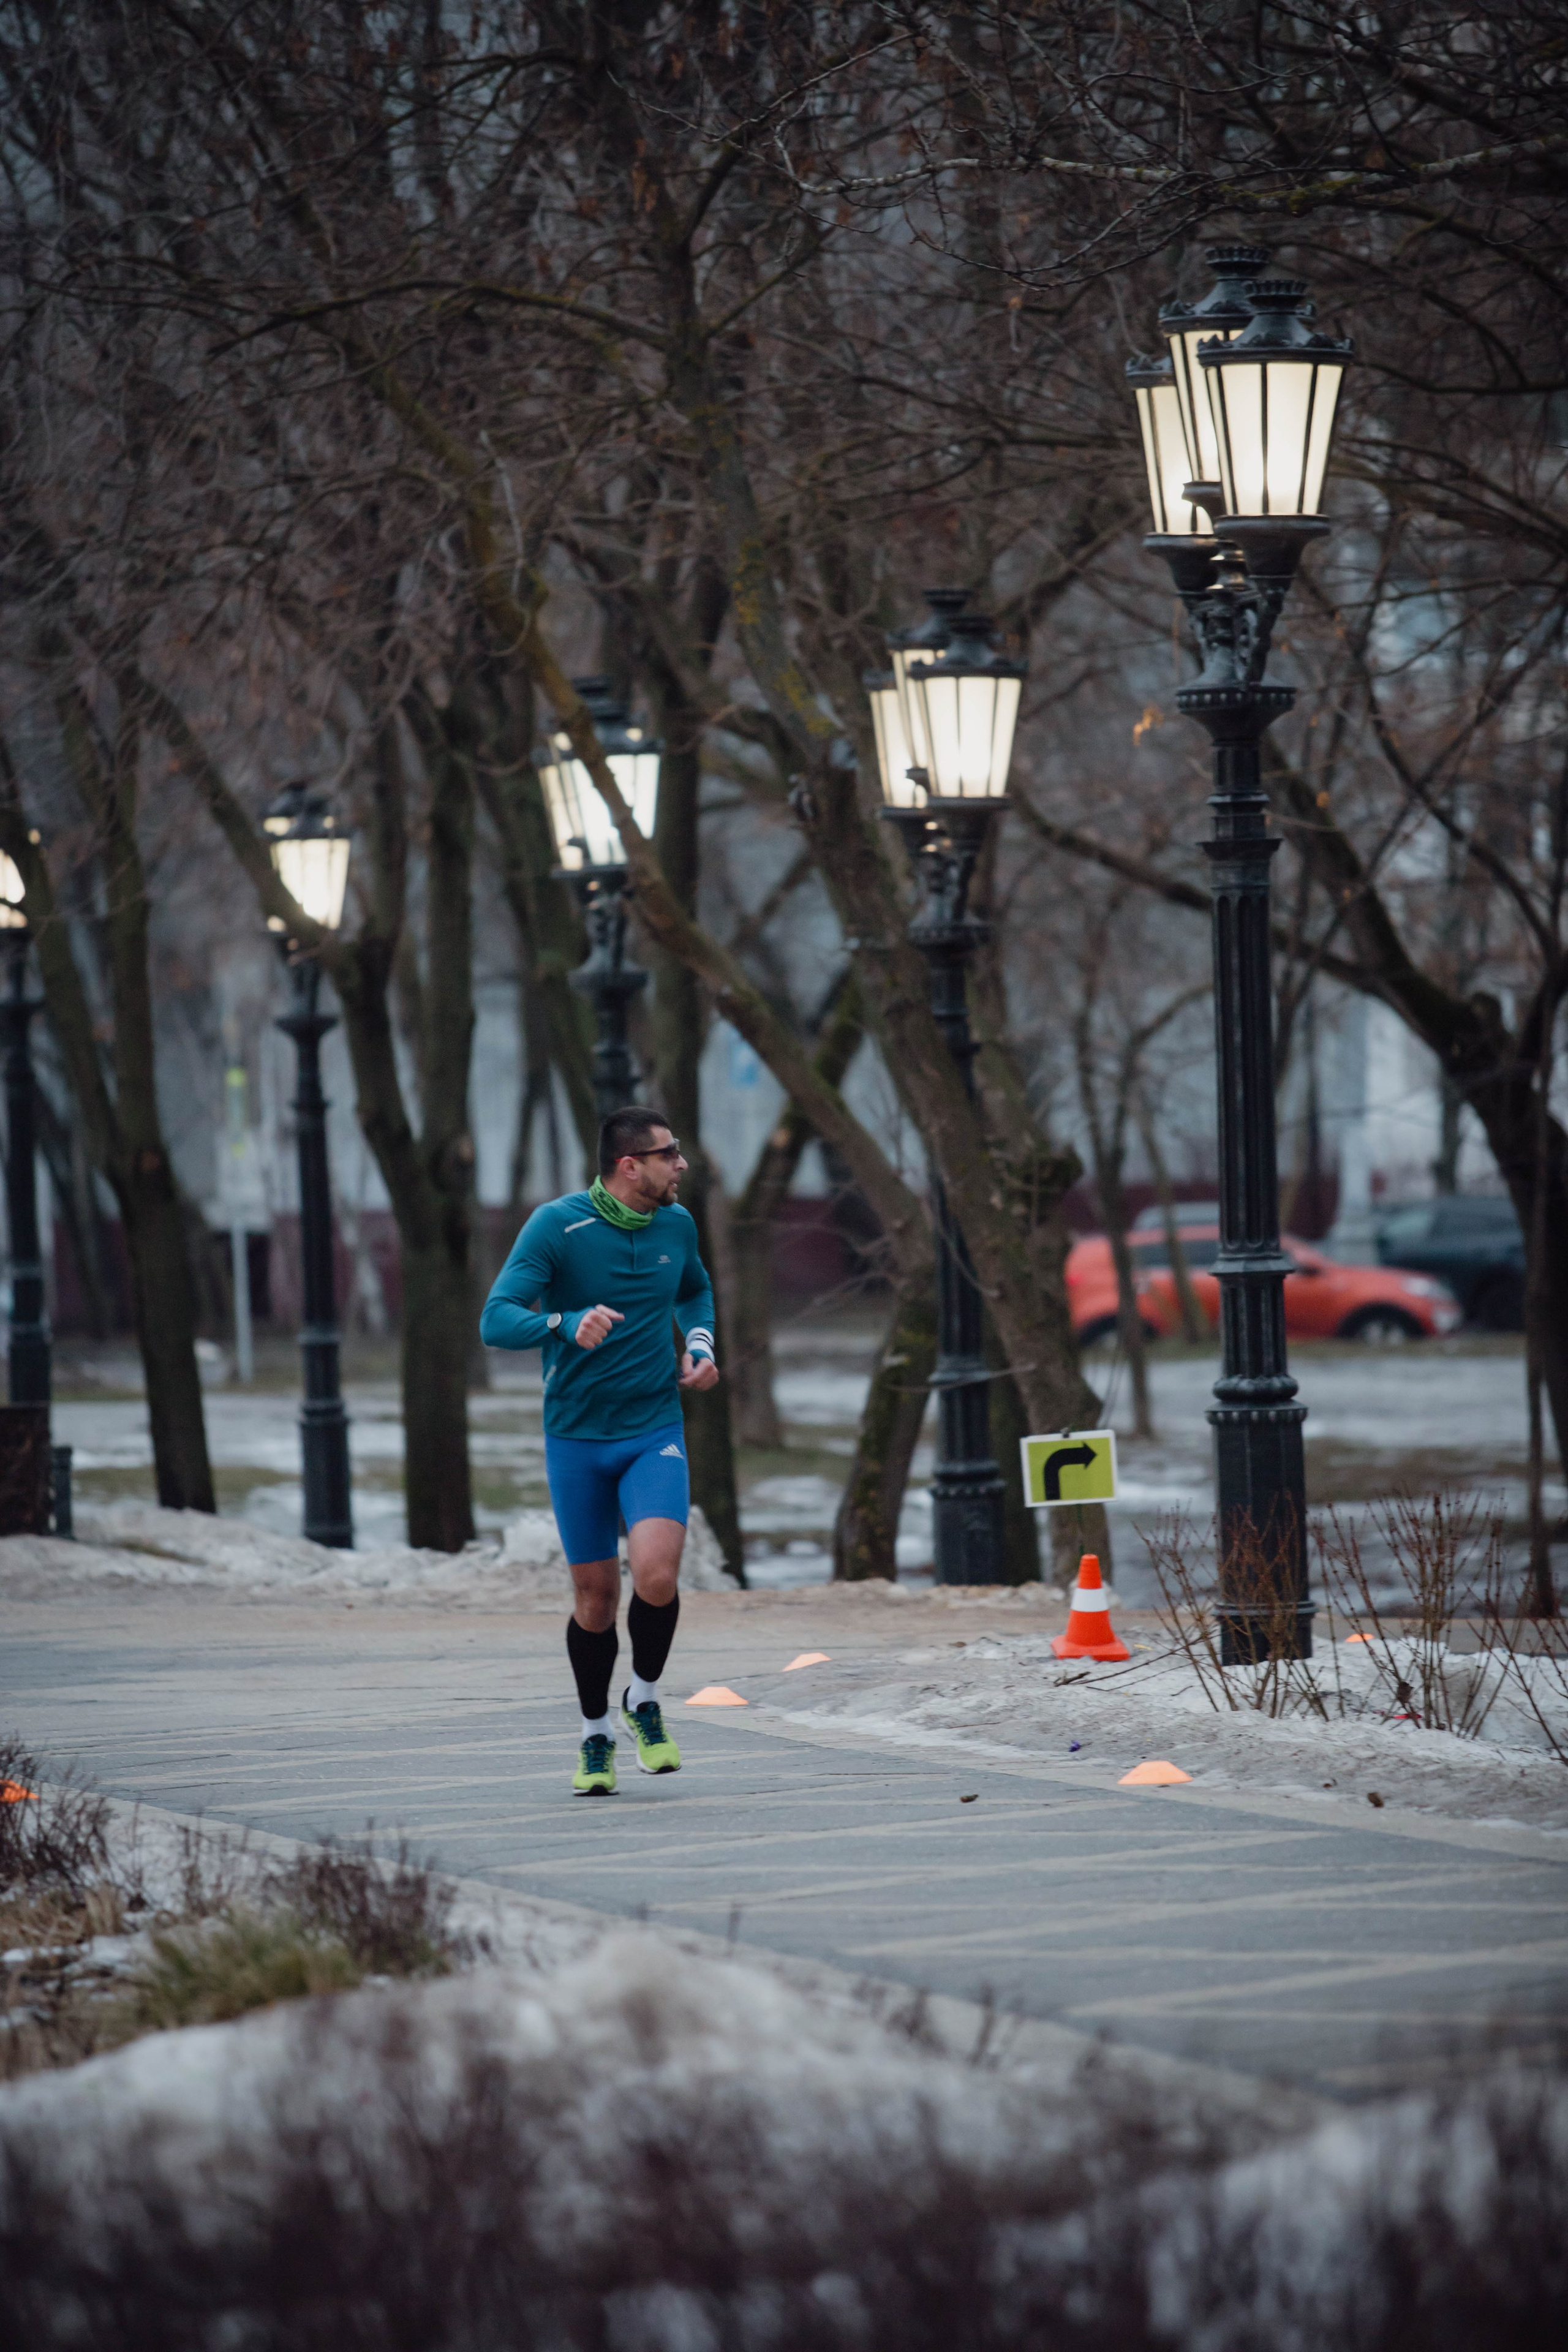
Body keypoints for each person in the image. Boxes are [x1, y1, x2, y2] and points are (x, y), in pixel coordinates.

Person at [479, 1106, 720, 1795]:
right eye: (668, 1155)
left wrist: (699, 1344)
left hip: (653, 1429)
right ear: (628, 1166)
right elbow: (496, 1319)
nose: (681, 1165)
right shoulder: (556, 1226)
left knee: (657, 1575)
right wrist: (561, 1322)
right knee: (595, 1597)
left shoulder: (677, 1224)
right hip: (577, 1438)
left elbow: (695, 1290)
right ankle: (593, 1736)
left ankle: (642, 1698)